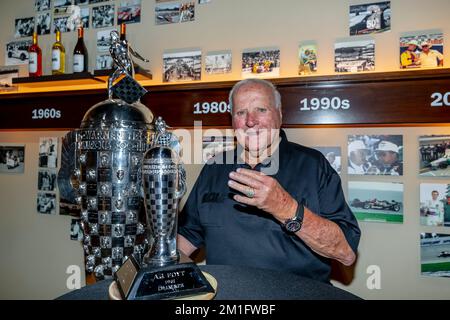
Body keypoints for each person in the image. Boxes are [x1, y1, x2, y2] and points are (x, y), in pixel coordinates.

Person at [178, 79, 360, 283]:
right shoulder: (214, 168)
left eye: (261, 110)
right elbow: (186, 237)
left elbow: (346, 253)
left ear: (279, 114)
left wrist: (285, 208)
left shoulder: (313, 165)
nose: (250, 121)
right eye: (240, 112)